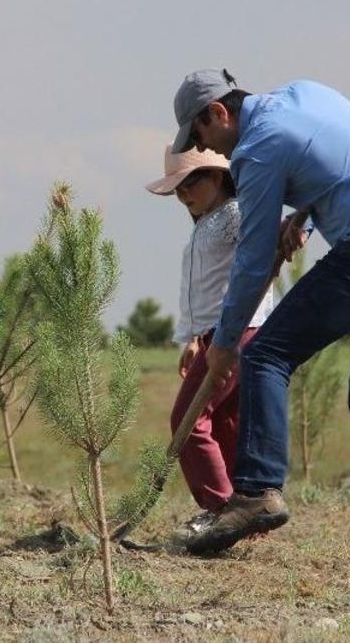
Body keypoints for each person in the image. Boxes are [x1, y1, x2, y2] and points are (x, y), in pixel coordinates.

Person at [171, 69, 350, 564]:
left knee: (266, 355)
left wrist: (225, 343)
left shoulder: (257, 148)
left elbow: (253, 259)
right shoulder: (308, 95)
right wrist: (304, 221)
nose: (206, 148)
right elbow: (341, 170)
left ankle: (257, 491)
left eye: (199, 135)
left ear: (218, 113)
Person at [144, 145, 273, 540]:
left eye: (190, 183)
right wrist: (192, 338)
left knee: (188, 421)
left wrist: (290, 231)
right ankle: (246, 511)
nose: (183, 194)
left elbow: (262, 241)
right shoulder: (207, 222)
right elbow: (200, 289)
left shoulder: (235, 214)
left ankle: (221, 509)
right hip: (214, 334)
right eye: (178, 189)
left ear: (217, 176)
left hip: (236, 331)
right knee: (225, 422)